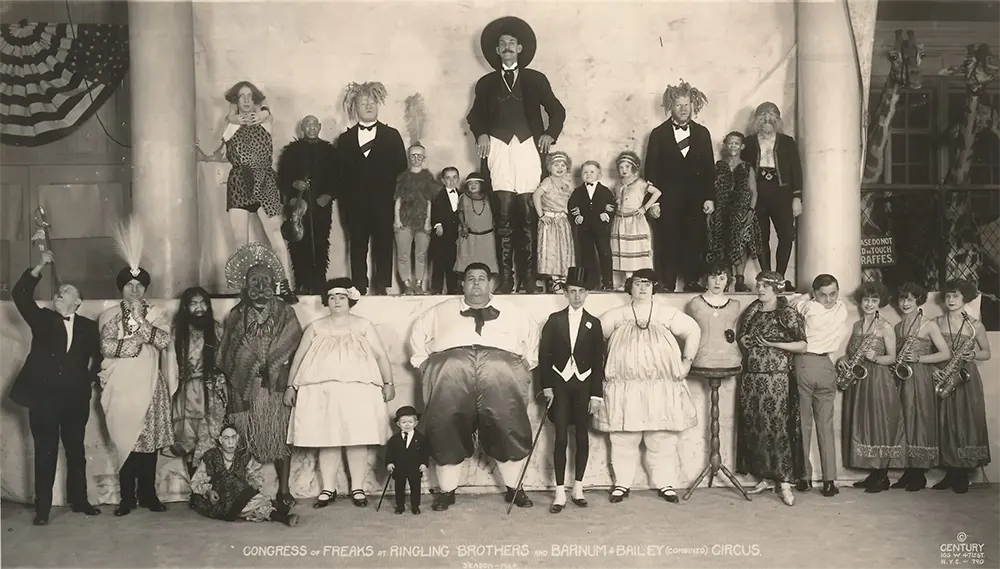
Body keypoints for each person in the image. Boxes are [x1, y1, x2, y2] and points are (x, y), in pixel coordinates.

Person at [409, 263, 540, 511]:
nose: (477, 283)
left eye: (482, 278)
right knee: (446, 427)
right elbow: (417, 337)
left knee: (507, 427)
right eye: (471, 279)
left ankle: (515, 488)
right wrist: (424, 364)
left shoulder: (514, 312)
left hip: (500, 377)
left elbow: (533, 339)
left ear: (491, 283)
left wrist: (526, 363)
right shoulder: (440, 311)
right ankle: (446, 492)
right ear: (463, 284)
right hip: (452, 378)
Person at [467, 16, 566, 294]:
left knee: (528, 215)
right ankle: (508, 280)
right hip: (498, 149)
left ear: (520, 49)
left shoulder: (536, 79)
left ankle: (530, 279)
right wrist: (482, 134)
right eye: (502, 44)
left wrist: (550, 134)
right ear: (497, 51)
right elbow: (474, 116)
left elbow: (557, 111)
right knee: (503, 216)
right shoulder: (485, 83)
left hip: (527, 149)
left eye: (512, 43)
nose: (507, 47)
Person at [8, 250, 102, 525]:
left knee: (76, 451)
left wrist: (91, 378)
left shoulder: (88, 326)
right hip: (44, 400)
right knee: (45, 452)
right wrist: (40, 266)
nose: (60, 293)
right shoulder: (43, 319)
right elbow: (20, 295)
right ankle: (43, 510)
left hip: (75, 400)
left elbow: (99, 357)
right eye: (59, 291)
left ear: (79, 302)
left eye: (67, 291)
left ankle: (80, 501)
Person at [285, 278, 395, 508]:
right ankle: (328, 489)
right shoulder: (316, 327)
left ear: (350, 299)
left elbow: (381, 356)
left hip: (357, 389)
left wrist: (388, 382)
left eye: (342, 297)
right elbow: (299, 358)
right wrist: (291, 386)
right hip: (323, 392)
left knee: (357, 437)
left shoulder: (363, 325)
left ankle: (357, 488)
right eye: (332, 297)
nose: (337, 301)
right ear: (326, 300)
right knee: (328, 438)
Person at [594, 268, 700, 504]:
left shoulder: (667, 314)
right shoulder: (616, 315)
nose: (643, 288)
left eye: (648, 284)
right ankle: (622, 483)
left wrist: (686, 362)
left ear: (654, 288)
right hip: (625, 387)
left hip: (660, 387)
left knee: (661, 437)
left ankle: (665, 483)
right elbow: (593, 338)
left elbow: (693, 330)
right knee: (623, 437)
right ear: (630, 287)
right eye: (638, 283)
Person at [219, 242, 303, 507]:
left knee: (280, 437)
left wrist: (273, 363)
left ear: (274, 282)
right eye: (254, 280)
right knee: (241, 438)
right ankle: (243, 488)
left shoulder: (285, 311)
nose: (260, 285)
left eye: (265, 280)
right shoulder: (236, 314)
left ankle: (284, 490)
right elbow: (229, 349)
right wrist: (251, 363)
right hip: (246, 385)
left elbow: (292, 340)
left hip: (275, 385)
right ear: (245, 283)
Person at [98, 219, 173, 516]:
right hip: (121, 387)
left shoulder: (157, 313)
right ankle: (127, 498)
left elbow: (164, 340)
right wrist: (139, 341)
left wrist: (141, 323)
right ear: (121, 288)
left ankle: (149, 495)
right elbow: (108, 348)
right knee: (125, 440)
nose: (134, 289)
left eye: (139, 285)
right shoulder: (108, 316)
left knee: (149, 443)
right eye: (129, 285)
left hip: (150, 385)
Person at [201, 80, 293, 284]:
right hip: (239, 181)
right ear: (235, 100)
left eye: (250, 96)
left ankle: (285, 285)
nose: (246, 100)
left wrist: (263, 111)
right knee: (241, 240)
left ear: (256, 99)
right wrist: (205, 156)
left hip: (264, 179)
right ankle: (243, 286)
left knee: (276, 235)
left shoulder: (265, 118)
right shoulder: (230, 123)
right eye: (241, 96)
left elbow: (266, 113)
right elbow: (224, 151)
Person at [735, 270, 807, 506]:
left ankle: (784, 482)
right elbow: (742, 337)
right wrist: (744, 341)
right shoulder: (752, 311)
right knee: (756, 427)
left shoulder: (787, 313)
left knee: (778, 430)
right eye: (758, 284)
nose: (760, 288)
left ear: (776, 288)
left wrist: (774, 343)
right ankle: (765, 476)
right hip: (752, 378)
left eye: (765, 285)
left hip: (776, 380)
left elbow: (802, 345)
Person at [538, 267, 605, 513]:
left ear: (587, 294)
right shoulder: (554, 321)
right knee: (560, 438)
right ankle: (558, 492)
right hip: (560, 387)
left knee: (582, 437)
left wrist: (596, 395)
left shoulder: (594, 323)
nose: (577, 296)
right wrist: (546, 387)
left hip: (584, 386)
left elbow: (598, 362)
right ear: (566, 293)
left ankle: (578, 487)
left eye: (581, 292)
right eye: (572, 292)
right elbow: (544, 356)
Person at [335, 81, 408, 295]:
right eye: (363, 102)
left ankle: (382, 285)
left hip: (385, 204)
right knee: (357, 246)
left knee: (384, 245)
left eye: (372, 102)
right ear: (354, 107)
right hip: (355, 206)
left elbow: (402, 172)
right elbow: (340, 178)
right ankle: (359, 286)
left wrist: (398, 204)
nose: (368, 106)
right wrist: (346, 207)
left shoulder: (392, 135)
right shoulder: (345, 139)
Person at [644, 80, 715, 292]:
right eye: (679, 105)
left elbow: (709, 169)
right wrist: (653, 203)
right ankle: (667, 282)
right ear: (670, 107)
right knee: (668, 240)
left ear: (693, 106)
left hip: (695, 200)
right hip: (667, 199)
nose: (683, 109)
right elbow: (651, 170)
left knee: (694, 239)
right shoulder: (658, 134)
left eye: (687, 105)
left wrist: (709, 198)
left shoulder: (703, 133)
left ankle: (692, 281)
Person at [788, 274, 848, 497]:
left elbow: (794, 302)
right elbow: (832, 303)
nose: (829, 299)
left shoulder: (810, 308)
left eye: (832, 294)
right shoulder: (842, 309)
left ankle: (803, 479)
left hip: (805, 364)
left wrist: (808, 296)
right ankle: (830, 481)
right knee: (826, 427)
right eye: (824, 295)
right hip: (827, 366)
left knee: (803, 424)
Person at [840, 281, 902, 494]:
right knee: (864, 424)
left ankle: (882, 476)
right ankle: (874, 473)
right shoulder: (857, 326)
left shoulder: (885, 327)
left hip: (878, 379)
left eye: (874, 300)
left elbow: (892, 358)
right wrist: (843, 359)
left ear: (880, 302)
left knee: (879, 425)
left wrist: (875, 357)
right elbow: (851, 351)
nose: (869, 304)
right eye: (866, 299)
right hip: (860, 379)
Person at [932, 279, 991, 494]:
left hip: (966, 378)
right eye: (948, 296)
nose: (951, 300)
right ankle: (950, 472)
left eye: (955, 296)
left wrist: (973, 353)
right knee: (945, 422)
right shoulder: (936, 322)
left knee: (965, 423)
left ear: (965, 297)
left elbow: (987, 352)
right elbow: (931, 351)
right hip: (944, 376)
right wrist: (934, 370)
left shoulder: (975, 325)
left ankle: (961, 475)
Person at [890, 282, 950, 491]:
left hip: (921, 378)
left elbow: (945, 353)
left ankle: (919, 474)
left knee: (920, 421)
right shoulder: (898, 327)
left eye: (910, 299)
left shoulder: (928, 324)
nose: (905, 303)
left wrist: (919, 357)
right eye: (902, 298)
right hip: (903, 378)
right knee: (905, 422)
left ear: (919, 301)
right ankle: (909, 470)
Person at [741, 102, 803, 291]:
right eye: (763, 118)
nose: (767, 122)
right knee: (760, 237)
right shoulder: (749, 142)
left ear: (778, 121)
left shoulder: (787, 142)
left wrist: (797, 197)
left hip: (782, 193)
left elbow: (796, 170)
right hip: (758, 194)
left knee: (786, 235)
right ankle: (767, 277)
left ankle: (780, 279)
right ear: (756, 121)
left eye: (771, 118)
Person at [276, 114, 339, 294]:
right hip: (298, 205)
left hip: (321, 205)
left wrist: (328, 195)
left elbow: (339, 177)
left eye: (314, 124)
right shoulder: (291, 151)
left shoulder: (330, 151)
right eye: (307, 125)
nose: (311, 128)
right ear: (302, 128)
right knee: (298, 243)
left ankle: (319, 283)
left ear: (319, 127)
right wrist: (294, 184)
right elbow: (282, 176)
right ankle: (301, 283)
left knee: (320, 243)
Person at [190, 424, 299, 526]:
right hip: (219, 499)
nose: (230, 442)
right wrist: (208, 491)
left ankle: (279, 516)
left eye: (233, 437)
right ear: (220, 440)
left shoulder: (244, 455)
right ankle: (277, 512)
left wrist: (253, 482)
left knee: (247, 497)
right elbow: (196, 481)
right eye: (226, 438)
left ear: (237, 438)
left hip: (240, 495)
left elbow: (256, 474)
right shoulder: (211, 456)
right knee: (254, 502)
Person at [170, 286, 227, 477]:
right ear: (186, 307)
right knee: (188, 438)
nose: (199, 308)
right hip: (184, 391)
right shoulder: (176, 331)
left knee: (211, 438)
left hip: (210, 390)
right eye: (194, 304)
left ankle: (210, 486)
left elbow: (226, 359)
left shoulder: (217, 328)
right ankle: (196, 487)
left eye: (203, 303)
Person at [707, 132, 760, 291]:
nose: (733, 146)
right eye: (730, 143)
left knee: (740, 244)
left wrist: (751, 211)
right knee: (721, 245)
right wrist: (710, 213)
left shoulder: (746, 167)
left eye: (736, 143)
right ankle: (725, 280)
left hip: (741, 211)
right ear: (725, 145)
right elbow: (711, 190)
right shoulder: (718, 166)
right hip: (721, 210)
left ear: (742, 146)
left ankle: (739, 280)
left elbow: (754, 191)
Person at [394, 143, 442, 294]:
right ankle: (407, 285)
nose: (416, 159)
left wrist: (428, 222)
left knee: (421, 255)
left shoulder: (428, 177)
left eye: (419, 156)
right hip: (404, 219)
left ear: (424, 158)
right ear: (409, 158)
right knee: (403, 254)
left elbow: (429, 201)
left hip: (422, 221)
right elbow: (398, 200)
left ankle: (419, 284)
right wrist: (397, 220)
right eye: (413, 156)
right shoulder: (402, 177)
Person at [609, 152, 660, 285]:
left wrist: (645, 208)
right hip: (620, 220)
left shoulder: (641, 183)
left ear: (633, 168)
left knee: (634, 249)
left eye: (627, 167)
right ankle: (628, 280)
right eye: (621, 167)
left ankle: (641, 280)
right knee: (623, 249)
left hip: (635, 221)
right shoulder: (616, 185)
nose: (624, 170)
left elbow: (657, 192)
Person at [569, 160, 616, 291]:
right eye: (585, 172)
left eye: (592, 172)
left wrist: (606, 213)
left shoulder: (605, 191)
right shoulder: (578, 191)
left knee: (605, 253)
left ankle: (608, 282)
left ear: (599, 174)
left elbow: (613, 206)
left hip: (601, 228)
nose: (588, 174)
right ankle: (589, 282)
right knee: (586, 255)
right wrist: (576, 216)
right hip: (584, 228)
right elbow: (572, 206)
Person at [532, 151, 576, 292]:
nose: (560, 167)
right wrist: (541, 215)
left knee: (564, 250)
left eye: (563, 165)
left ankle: (563, 280)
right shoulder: (548, 181)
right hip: (550, 221)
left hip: (562, 221)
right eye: (556, 164)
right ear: (549, 167)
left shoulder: (566, 184)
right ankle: (555, 280)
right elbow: (536, 195)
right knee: (552, 250)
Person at [384, 406, 430, 515]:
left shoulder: (421, 438)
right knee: (399, 487)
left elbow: (425, 453)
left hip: (414, 468)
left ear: (416, 423)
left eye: (410, 421)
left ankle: (415, 506)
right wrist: (389, 463)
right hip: (399, 468)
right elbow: (389, 452)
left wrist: (424, 464)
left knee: (415, 487)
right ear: (398, 424)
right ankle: (400, 505)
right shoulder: (394, 439)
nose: (407, 424)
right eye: (403, 422)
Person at [454, 173, 499, 274]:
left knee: (488, 264)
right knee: (468, 265)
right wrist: (464, 226)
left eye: (476, 183)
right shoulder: (464, 197)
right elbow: (460, 212)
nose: (473, 185)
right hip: (470, 236)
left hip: (487, 237)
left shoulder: (489, 197)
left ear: (481, 185)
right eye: (470, 183)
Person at [430, 167, 463, 294]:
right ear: (443, 180)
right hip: (442, 234)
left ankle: (452, 288)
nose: (452, 181)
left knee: (454, 261)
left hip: (457, 234)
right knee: (439, 260)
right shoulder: (438, 196)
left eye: (454, 177)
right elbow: (434, 211)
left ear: (458, 179)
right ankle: (436, 288)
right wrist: (437, 224)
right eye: (448, 178)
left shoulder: (462, 196)